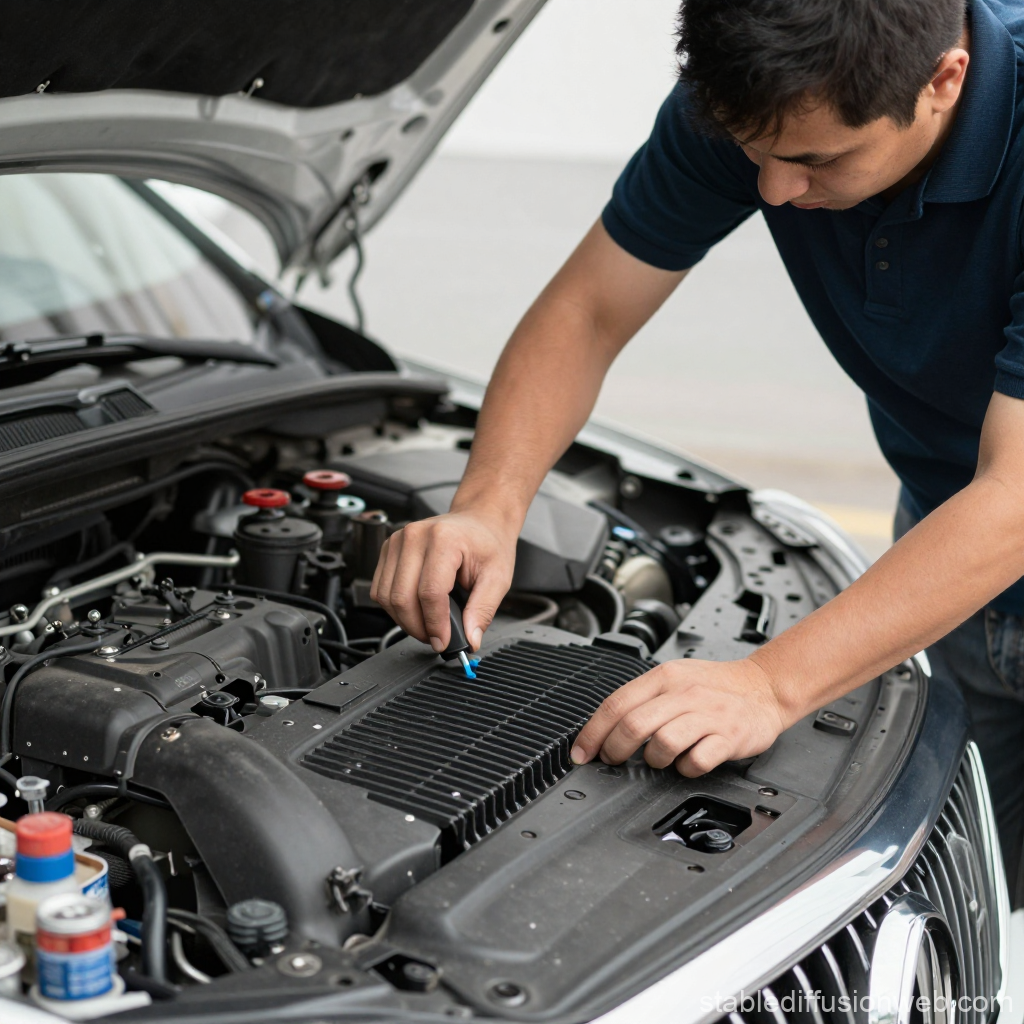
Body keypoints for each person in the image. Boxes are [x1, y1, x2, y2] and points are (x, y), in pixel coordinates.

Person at [372, 0, 1024, 901]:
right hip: (949, 571)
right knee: (980, 894)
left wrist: (770, 683)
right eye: (754, 153)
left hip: (995, 524)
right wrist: (489, 504)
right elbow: (587, 311)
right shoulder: (759, 100)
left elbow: (1017, 497)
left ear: (944, 80)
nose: (772, 192)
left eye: (815, 160)